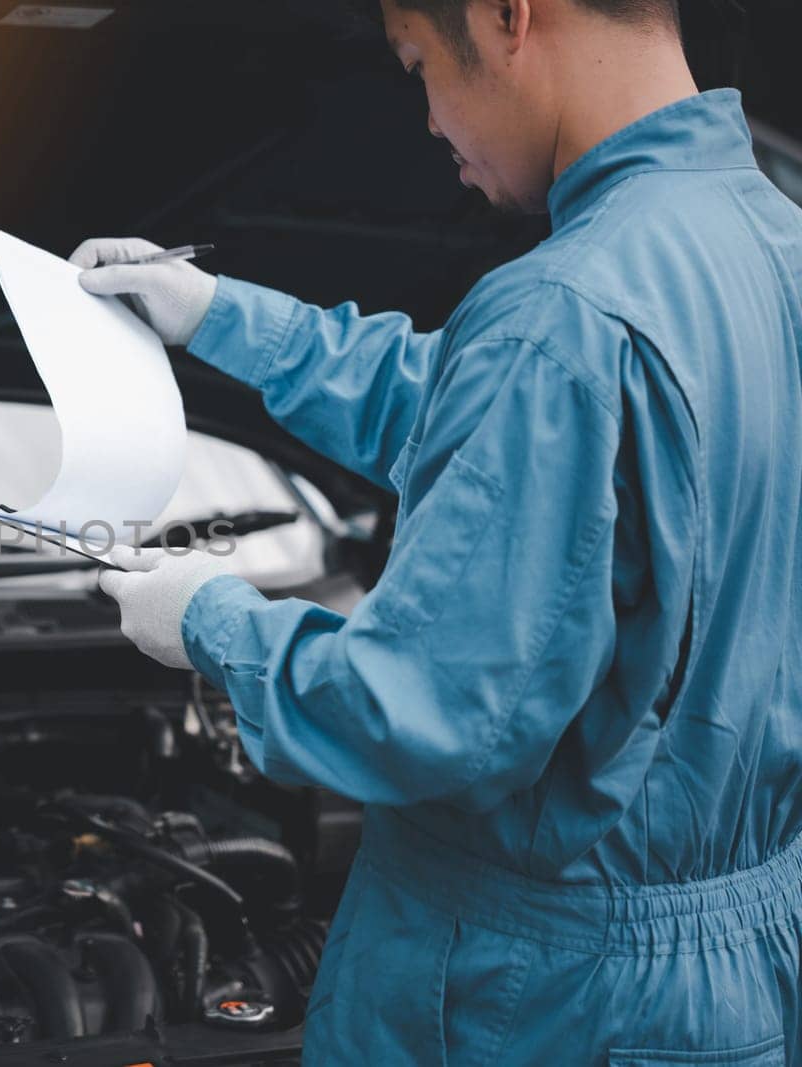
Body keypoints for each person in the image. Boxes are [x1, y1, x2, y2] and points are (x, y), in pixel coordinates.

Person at [78, 0, 802, 1062]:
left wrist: (207, 621)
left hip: (537, 998)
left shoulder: (562, 314)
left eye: (416, 64)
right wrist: (217, 313)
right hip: (734, 978)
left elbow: (419, 712)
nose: (424, 117)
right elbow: (489, 420)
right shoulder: (772, 250)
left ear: (509, 16)